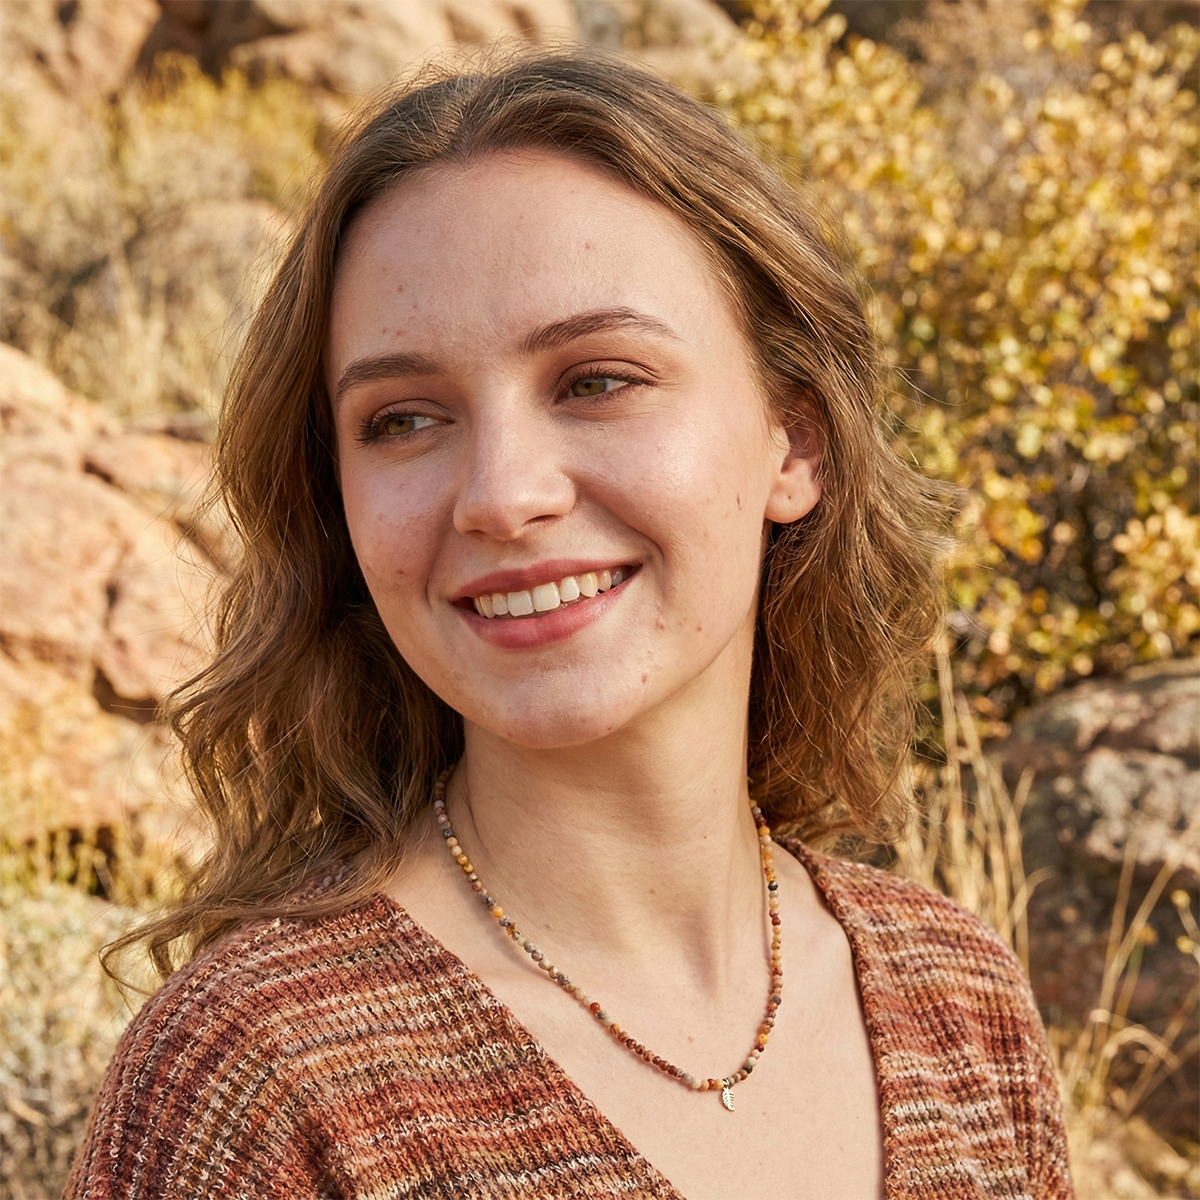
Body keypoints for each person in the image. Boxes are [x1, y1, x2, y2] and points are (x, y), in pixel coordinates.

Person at [65, 50, 1072, 1199]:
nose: (502, 495)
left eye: (596, 381)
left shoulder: (963, 1005)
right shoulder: (256, 1085)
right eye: (402, 419)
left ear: (794, 440)